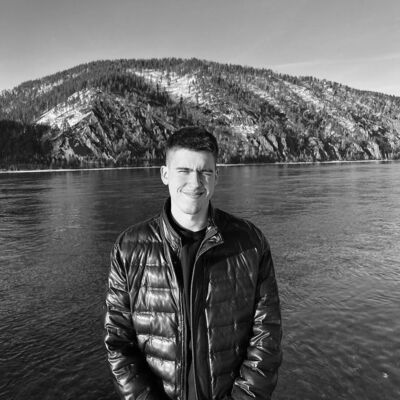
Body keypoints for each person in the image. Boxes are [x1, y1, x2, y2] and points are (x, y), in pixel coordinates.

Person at [104, 126, 282, 400]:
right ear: (165, 174)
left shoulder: (250, 243)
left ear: (216, 177)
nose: (195, 182)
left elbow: (266, 337)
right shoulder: (129, 248)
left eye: (204, 171)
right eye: (184, 171)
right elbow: (119, 344)